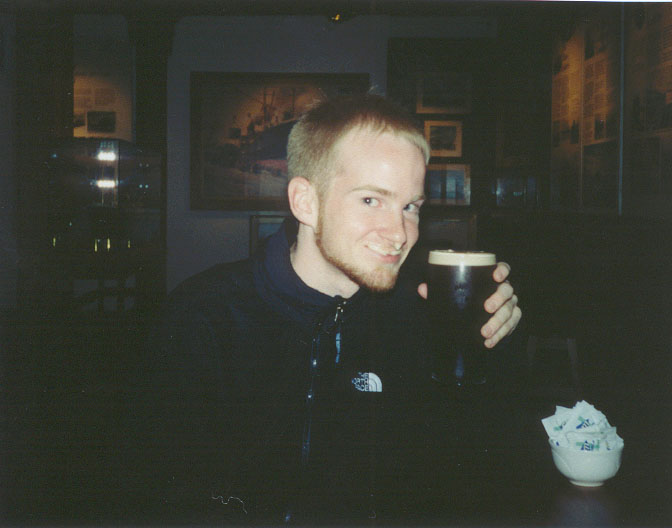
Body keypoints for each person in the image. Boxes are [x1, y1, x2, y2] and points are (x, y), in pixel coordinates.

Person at [141, 94, 521, 525]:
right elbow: (171, 494)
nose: (399, 234)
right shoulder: (205, 317)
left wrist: (495, 341)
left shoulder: (422, 314)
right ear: (305, 201)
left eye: (410, 206)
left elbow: (465, 477)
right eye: (371, 200)